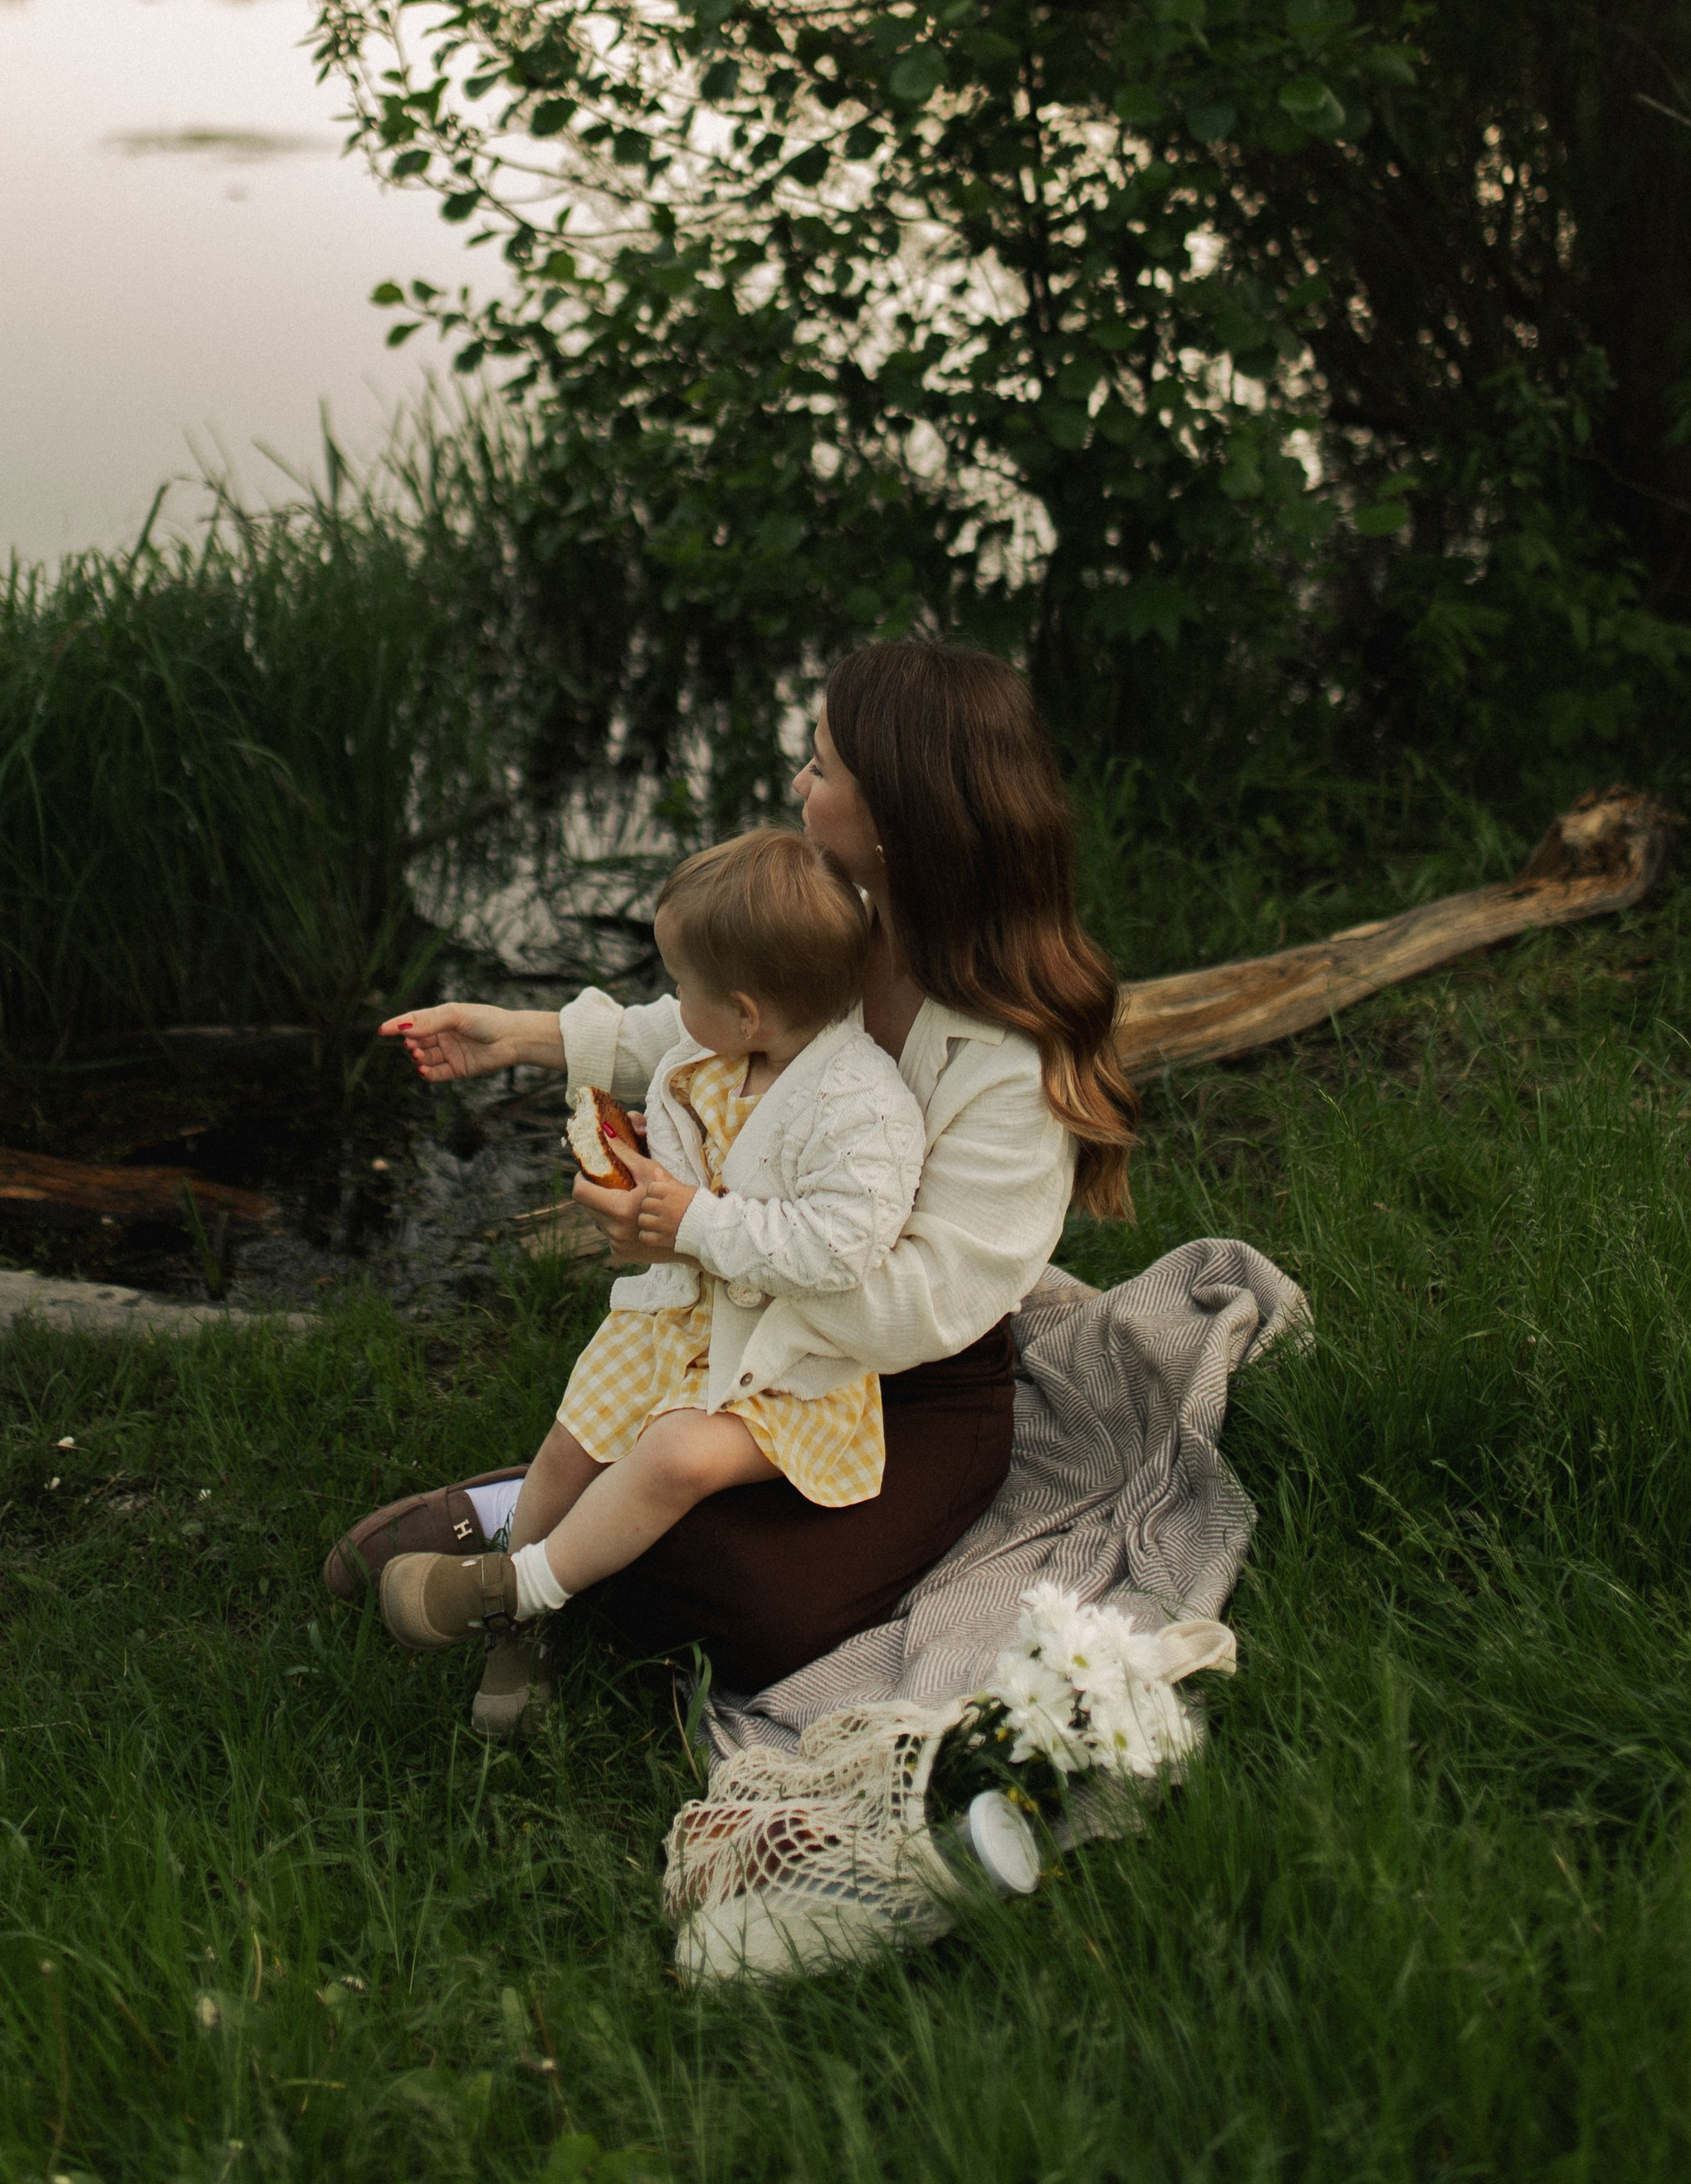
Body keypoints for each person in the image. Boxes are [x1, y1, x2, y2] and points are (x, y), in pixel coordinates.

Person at [348, 641, 1137, 1726]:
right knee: (673, 1530)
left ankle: (524, 1523)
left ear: (897, 820)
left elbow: (923, 1304)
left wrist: (699, 1238)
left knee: (762, 1616)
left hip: (915, 1387)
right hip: (745, 1333)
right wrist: (522, 1037)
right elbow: (715, 1022)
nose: (798, 786)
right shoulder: (845, 927)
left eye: (820, 769)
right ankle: (531, 1516)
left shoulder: (1008, 1054)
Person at [376, 829, 932, 1727]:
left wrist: (694, 1220)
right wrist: (635, 1161)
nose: (671, 1005)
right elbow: (700, 1162)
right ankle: (522, 1623)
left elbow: (840, 1248)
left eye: (680, 986)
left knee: (672, 1454)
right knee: (570, 1448)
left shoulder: (861, 1109)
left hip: (785, 1358)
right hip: (681, 1317)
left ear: (747, 1013)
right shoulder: (703, 1067)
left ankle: (512, 1593)